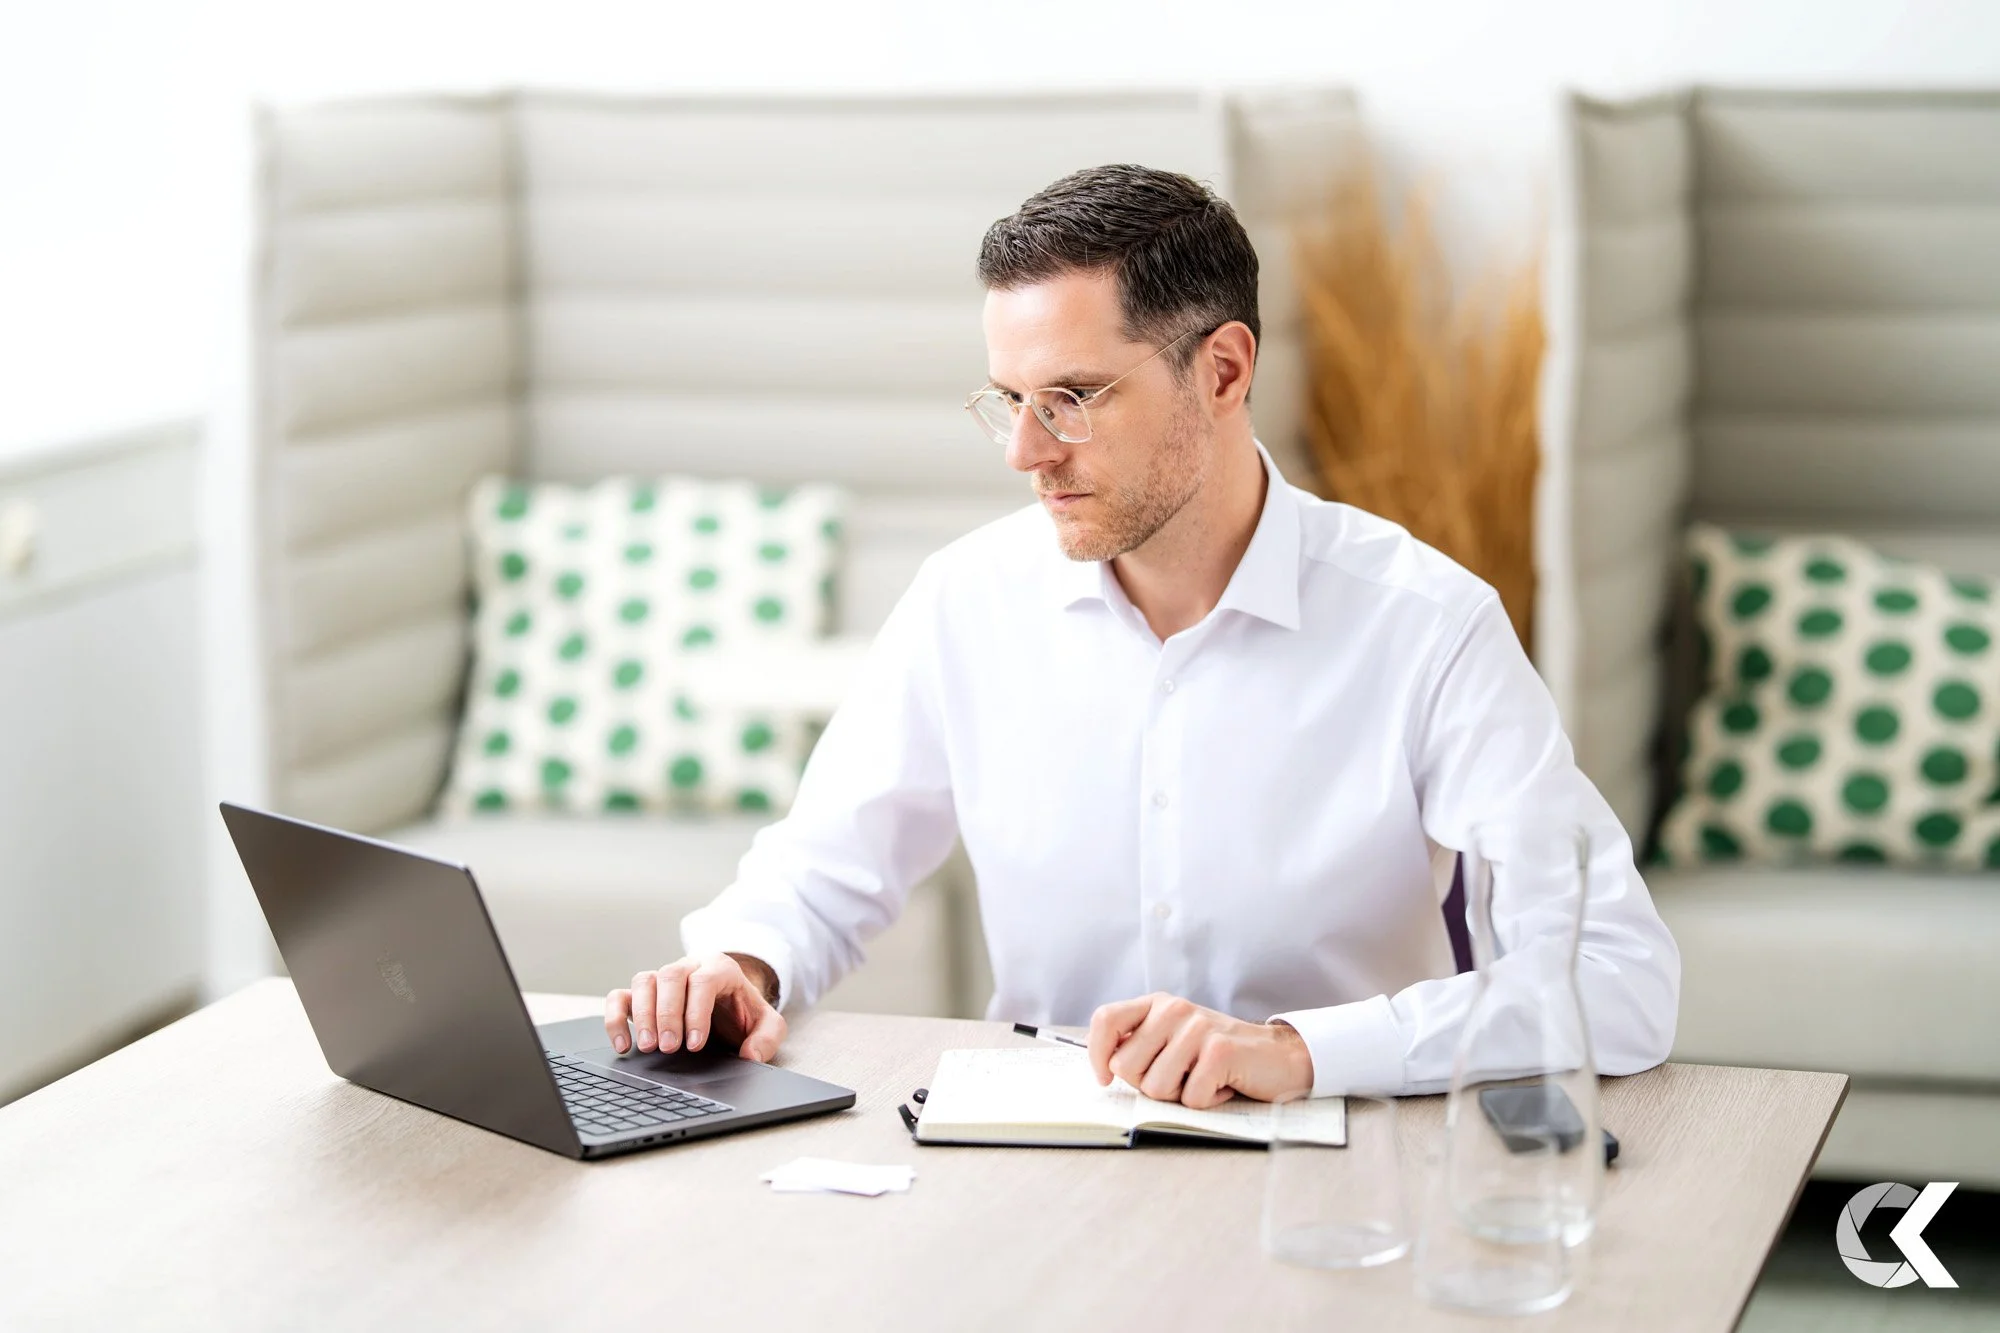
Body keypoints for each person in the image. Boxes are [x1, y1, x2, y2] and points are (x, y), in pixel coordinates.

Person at [603, 163, 1679, 1107]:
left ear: (1220, 370)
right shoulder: (964, 600)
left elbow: (1617, 977)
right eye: (1008, 399)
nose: (1025, 452)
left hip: (1333, 1173)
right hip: (1037, 1156)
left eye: (1071, 398)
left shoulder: (1423, 625)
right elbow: (825, 868)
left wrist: (1296, 1049)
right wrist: (737, 967)